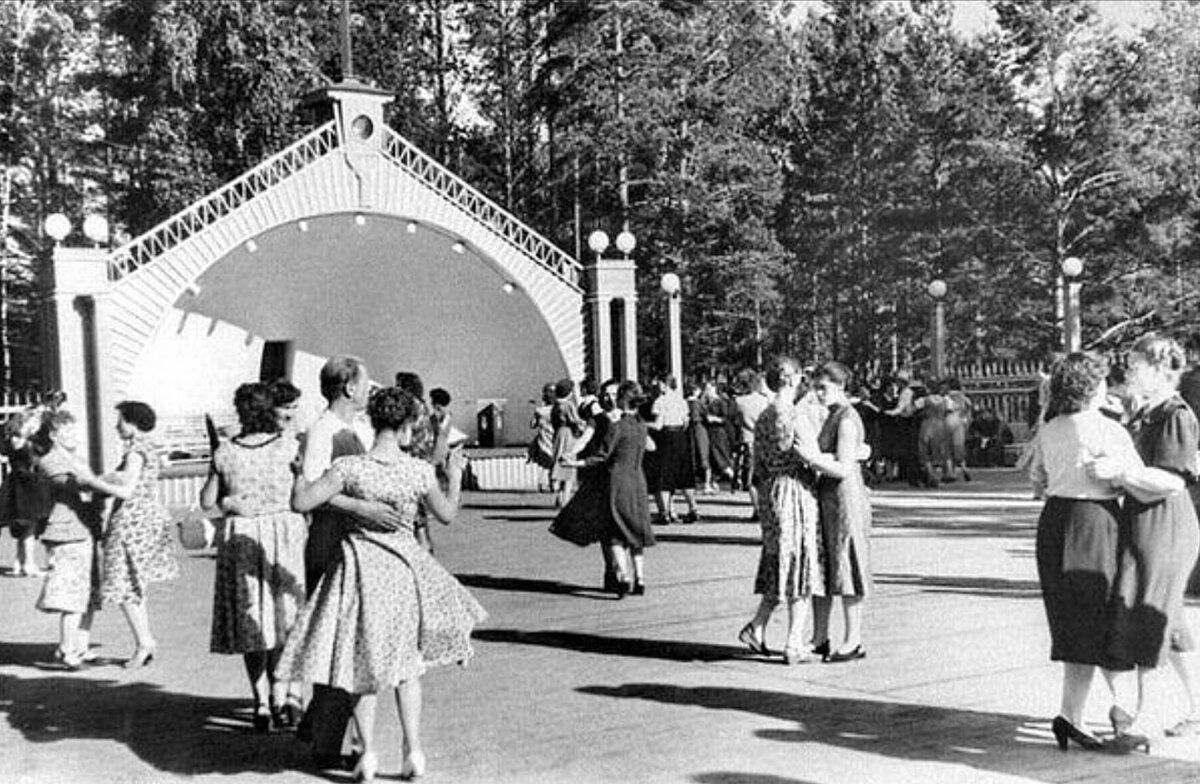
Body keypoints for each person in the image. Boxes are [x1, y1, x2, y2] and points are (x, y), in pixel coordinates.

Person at [278, 386, 486, 782]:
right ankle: (413, 751)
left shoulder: (351, 468)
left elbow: (301, 502)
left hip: (358, 572)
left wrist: (343, 498)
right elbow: (447, 515)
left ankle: (368, 753)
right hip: (402, 573)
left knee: (363, 665)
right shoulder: (418, 470)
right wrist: (455, 477)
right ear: (407, 425)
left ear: (373, 423)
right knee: (407, 666)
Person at [1092, 335, 1200, 752]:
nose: (1128, 372)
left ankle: (1146, 718)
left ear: (1158, 370)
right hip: (1146, 519)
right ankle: (1195, 708)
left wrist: (1117, 473)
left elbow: (1171, 481)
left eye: (1135, 366)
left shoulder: (1175, 415)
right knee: (1168, 622)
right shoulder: (1150, 413)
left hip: (1165, 522)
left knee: (1147, 614)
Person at [298, 356, 402, 770]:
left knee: (343, 639)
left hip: (351, 541)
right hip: (331, 541)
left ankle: (324, 731)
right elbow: (310, 488)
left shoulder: (351, 429)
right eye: (364, 382)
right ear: (348, 388)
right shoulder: (323, 431)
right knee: (340, 637)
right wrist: (362, 506)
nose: (368, 389)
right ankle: (329, 740)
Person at [202, 382, 308, 733]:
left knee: (253, 623)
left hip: (244, 537)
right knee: (283, 618)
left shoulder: (225, 452)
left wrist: (230, 500)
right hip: (283, 535)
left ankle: (261, 703)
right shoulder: (290, 447)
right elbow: (299, 497)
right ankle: (282, 696)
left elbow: (207, 502)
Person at [738, 357, 838, 665]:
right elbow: (813, 456)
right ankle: (794, 642)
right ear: (792, 380)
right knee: (802, 563)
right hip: (796, 491)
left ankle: (757, 627)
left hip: (772, 490)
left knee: (780, 560)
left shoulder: (765, 415)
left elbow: (758, 463)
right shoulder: (795, 416)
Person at [86, 401, 179, 668]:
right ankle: (144, 639)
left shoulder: (136, 451)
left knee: (123, 583)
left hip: (131, 521)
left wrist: (92, 482)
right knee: (135, 584)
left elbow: (126, 488)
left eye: (121, 421)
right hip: (147, 517)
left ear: (133, 422)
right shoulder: (149, 447)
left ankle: (144, 642)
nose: (117, 426)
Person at [809, 362, 874, 664]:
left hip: (844, 497)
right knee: (826, 565)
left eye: (824, 387)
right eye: (816, 386)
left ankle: (853, 639)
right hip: (830, 496)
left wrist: (810, 458)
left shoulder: (846, 418)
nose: (818, 393)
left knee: (848, 563)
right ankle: (819, 636)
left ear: (840, 386)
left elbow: (844, 467)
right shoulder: (835, 414)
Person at [31, 409, 103, 669]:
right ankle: (66, 648)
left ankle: (80, 646)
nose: (74, 435)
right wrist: (112, 483)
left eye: (75, 429)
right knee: (71, 594)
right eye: (67, 430)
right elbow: (72, 485)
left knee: (89, 593)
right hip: (64, 534)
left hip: (85, 530)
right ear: (53, 435)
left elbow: (88, 483)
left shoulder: (77, 459)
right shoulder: (50, 460)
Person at [549, 378, 625, 593]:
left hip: (624, 475)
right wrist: (571, 452)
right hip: (600, 473)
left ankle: (619, 570)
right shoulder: (598, 417)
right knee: (607, 527)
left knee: (623, 525)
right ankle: (614, 571)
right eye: (606, 394)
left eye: (614, 393)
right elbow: (584, 438)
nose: (610, 398)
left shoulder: (628, 416)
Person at [1, 406, 50, 576]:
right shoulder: (26, 442)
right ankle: (29, 564)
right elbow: (34, 460)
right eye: (35, 418)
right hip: (28, 484)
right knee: (30, 526)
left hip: (16, 484)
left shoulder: (13, 439)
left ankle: (19, 562)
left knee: (23, 527)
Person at [647, 376, 700, 524]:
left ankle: (664, 512)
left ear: (664, 385)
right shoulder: (681, 400)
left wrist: (643, 424)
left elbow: (658, 425)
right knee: (684, 474)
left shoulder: (660, 401)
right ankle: (693, 508)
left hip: (666, 436)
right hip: (681, 437)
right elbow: (685, 422)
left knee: (665, 474)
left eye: (659, 384)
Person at [733, 371, 772, 518]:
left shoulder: (739, 401)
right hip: (765, 441)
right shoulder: (765, 400)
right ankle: (766, 506)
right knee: (764, 477)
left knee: (751, 479)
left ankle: (757, 508)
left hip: (748, 440)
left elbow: (736, 421)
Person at [549, 378, 587, 508]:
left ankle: (558, 496)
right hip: (569, 435)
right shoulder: (569, 405)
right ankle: (565, 499)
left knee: (558, 462)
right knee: (569, 467)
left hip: (558, 433)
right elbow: (575, 420)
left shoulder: (555, 405)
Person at [703, 381, 736, 491]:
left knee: (720, 457)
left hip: (718, 433)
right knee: (715, 458)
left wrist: (714, 419)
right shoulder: (710, 401)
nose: (707, 390)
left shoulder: (720, 402)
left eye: (709, 388)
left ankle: (733, 477)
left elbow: (726, 418)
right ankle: (714, 483)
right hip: (713, 432)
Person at [685, 383, 713, 493]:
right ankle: (707, 484)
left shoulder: (685, 403)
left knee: (692, 456)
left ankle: (694, 484)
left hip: (689, 431)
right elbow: (707, 416)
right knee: (704, 455)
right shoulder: (699, 403)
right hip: (700, 429)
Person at [944, 378, 972, 482]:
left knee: (948, 448)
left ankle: (951, 473)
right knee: (959, 447)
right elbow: (969, 407)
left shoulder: (946, 397)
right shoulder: (963, 397)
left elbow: (944, 409)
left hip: (948, 420)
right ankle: (964, 468)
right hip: (959, 421)